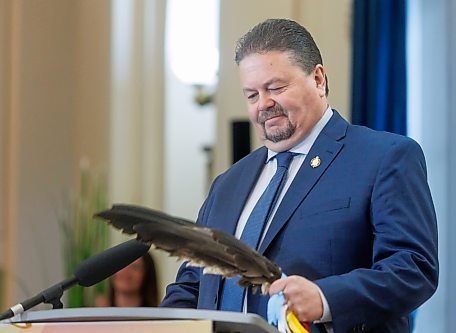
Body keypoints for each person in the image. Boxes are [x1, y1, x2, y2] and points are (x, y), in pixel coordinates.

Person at [161, 18, 438, 333]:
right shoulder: (228, 183)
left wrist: (325, 298)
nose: (263, 104)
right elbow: (192, 283)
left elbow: (412, 268)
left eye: (275, 88)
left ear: (318, 79)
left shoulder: (384, 157)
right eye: (251, 95)